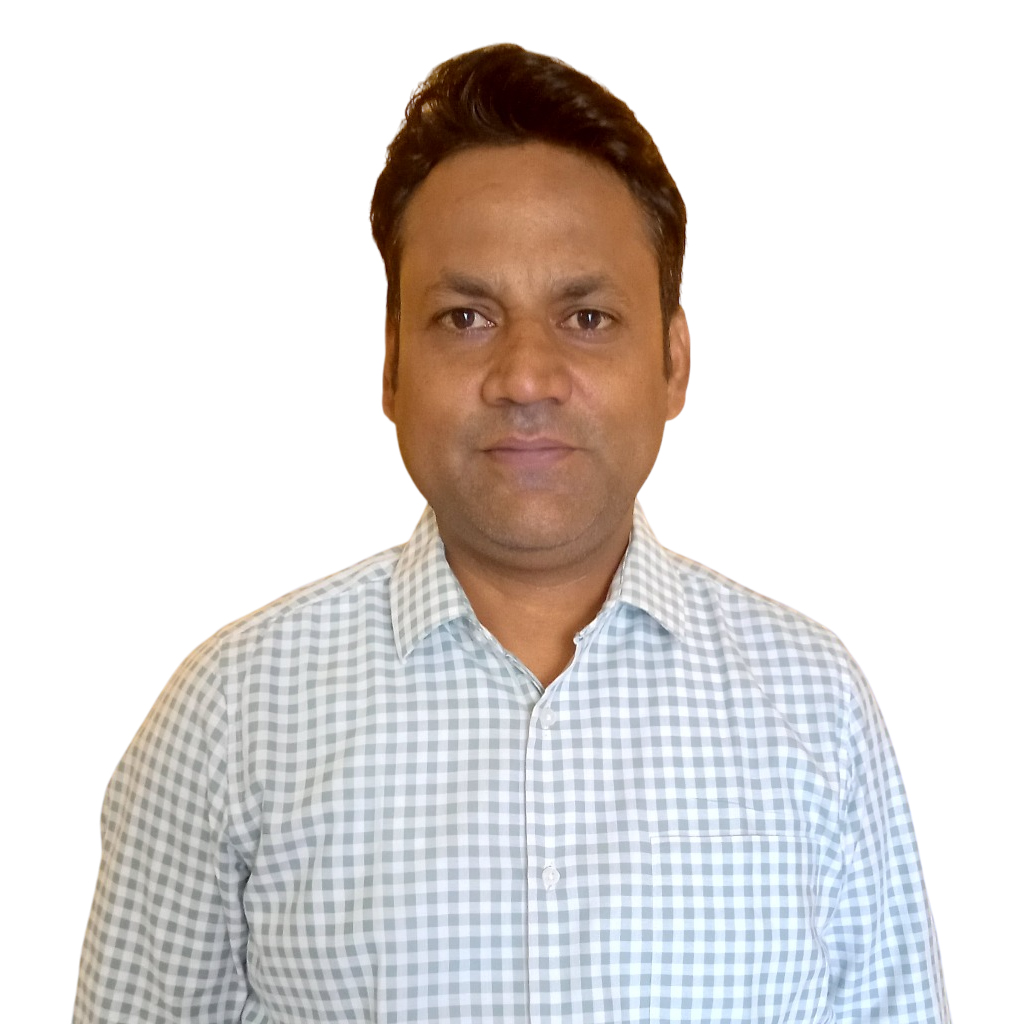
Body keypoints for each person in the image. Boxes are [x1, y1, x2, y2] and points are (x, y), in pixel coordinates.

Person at [74, 43, 948, 1023]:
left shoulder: (814, 706)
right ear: (391, 366)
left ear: (673, 361)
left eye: (587, 316)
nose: (526, 376)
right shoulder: (230, 717)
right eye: (465, 318)